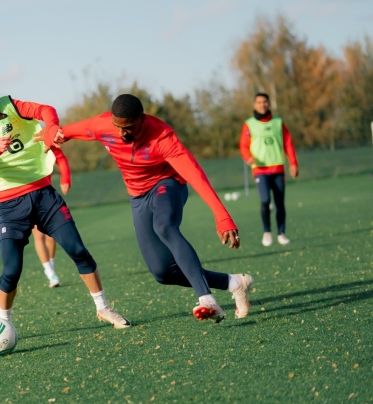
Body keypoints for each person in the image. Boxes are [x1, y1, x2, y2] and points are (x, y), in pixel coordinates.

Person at [45, 94, 253, 323]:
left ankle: (207, 299)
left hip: (167, 185)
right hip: (137, 196)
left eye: (129, 127)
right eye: (118, 127)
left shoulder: (163, 137)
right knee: (163, 272)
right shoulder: (103, 125)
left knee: (164, 226)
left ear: (142, 119)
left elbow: (195, 175)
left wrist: (222, 216)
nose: (122, 133)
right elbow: (64, 132)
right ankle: (235, 283)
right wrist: (51, 135)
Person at [0, 76, 130, 328]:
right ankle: (5, 323)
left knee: (78, 251)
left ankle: (102, 307)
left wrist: (50, 129)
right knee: (11, 271)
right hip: (9, 203)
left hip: (44, 194)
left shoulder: (9, 106)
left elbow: (45, 110)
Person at [238, 93, 299, 247]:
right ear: (254, 105)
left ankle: (282, 233)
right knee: (265, 200)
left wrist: (293, 163)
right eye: (259, 102)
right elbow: (243, 145)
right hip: (260, 169)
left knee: (280, 203)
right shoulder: (249, 124)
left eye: (265, 102)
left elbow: (288, 143)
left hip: (278, 168)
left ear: (269, 103)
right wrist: (248, 157)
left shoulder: (278, 122)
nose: (262, 105)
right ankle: (267, 231)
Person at [32, 147, 71, 288]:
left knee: (51, 235)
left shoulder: (43, 144)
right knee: (39, 235)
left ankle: (51, 266)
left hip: (47, 195)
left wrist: (65, 178)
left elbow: (60, 157)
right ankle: (50, 272)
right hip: (29, 196)